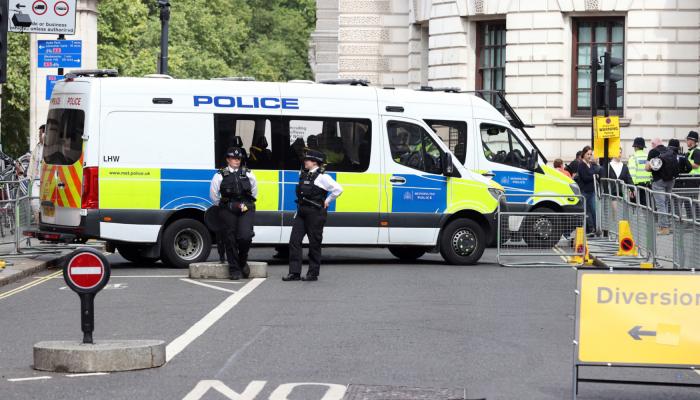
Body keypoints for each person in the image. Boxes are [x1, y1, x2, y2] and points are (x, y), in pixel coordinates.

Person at [283, 149, 343, 282]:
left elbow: (338, 189)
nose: (305, 161)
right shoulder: (304, 174)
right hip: (302, 211)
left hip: (315, 213)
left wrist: (327, 201)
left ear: (315, 163)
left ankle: (313, 273)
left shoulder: (323, 177)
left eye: (307, 160)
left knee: (314, 243)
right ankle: (294, 272)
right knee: (294, 241)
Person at [209, 147, 257, 280]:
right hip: (228, 208)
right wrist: (225, 205)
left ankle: (242, 261)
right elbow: (213, 196)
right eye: (234, 158)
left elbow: (254, 192)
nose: (236, 160)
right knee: (230, 239)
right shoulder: (220, 175)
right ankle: (234, 269)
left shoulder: (248, 174)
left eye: (239, 158)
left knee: (245, 236)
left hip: (245, 208)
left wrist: (245, 205)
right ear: (227, 160)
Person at [646, 138, 677, 235]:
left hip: (659, 181)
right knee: (666, 203)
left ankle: (664, 228)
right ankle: (666, 226)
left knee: (660, 205)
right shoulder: (669, 151)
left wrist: (650, 166)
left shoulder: (653, 152)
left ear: (653, 144)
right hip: (671, 180)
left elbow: (647, 168)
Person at [26, 124, 46, 223]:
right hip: (36, 179)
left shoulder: (51, 147)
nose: (39, 136)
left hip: (47, 180)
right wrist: (29, 176)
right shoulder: (37, 147)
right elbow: (32, 162)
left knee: (46, 203)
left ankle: (45, 222)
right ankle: (39, 222)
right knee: (34, 202)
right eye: (39, 134)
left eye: (41, 133)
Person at [577, 146, 599, 233]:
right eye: (588, 154)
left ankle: (595, 228)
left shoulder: (591, 164)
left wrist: (594, 174)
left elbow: (597, 172)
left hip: (592, 191)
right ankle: (590, 229)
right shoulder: (581, 165)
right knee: (587, 211)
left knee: (594, 210)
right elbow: (585, 177)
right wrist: (593, 175)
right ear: (584, 154)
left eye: (590, 154)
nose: (589, 156)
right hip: (584, 192)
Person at [627, 137, 652, 206]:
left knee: (636, 210)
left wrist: (631, 189)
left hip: (637, 188)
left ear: (635, 147)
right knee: (647, 210)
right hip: (648, 187)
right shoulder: (648, 157)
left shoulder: (633, 158)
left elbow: (632, 175)